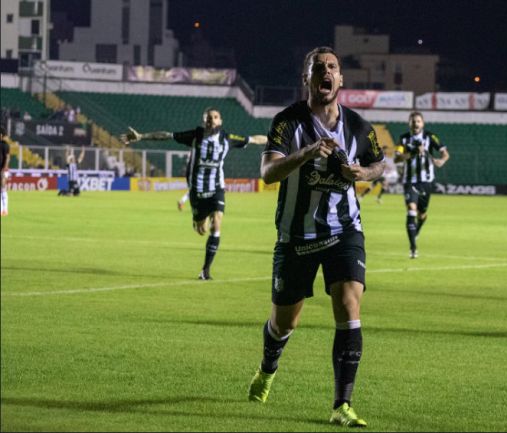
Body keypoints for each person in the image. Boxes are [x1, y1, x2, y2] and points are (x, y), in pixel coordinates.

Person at [247, 46, 384, 428]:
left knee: (348, 302)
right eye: (317, 67)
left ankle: (342, 404)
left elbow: (379, 164)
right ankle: (267, 368)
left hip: (345, 231)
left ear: (340, 79)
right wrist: (307, 153)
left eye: (332, 67)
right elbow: (268, 173)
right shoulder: (287, 122)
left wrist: (363, 173)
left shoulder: (358, 126)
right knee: (284, 323)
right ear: (306, 78)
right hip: (296, 236)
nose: (326, 72)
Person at [120, 107, 267, 280]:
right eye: (209, 117)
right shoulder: (195, 136)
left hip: (216, 189)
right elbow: (167, 135)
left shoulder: (227, 139)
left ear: (220, 121)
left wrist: (277, 141)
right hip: (197, 191)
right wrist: (141, 136)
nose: (212, 120)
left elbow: (255, 139)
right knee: (201, 229)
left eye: (215, 117)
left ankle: (205, 270)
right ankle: (197, 221)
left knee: (216, 224)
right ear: (204, 121)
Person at [394, 111, 449, 258]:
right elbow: (397, 158)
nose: (415, 124)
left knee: (422, 214)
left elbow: (445, 153)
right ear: (409, 123)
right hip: (409, 181)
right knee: (411, 209)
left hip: (426, 182)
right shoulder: (403, 139)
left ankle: (417, 228)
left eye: (418, 121)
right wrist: (412, 154)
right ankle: (413, 248)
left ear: (422, 123)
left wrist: (441, 161)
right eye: (413, 121)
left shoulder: (430, 137)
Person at [0, 126, 11, 217]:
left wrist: (4, 168)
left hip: (3, 170)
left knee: (3, 188)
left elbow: (7, 158)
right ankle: (2, 210)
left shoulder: (5, 145)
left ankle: (5, 209)